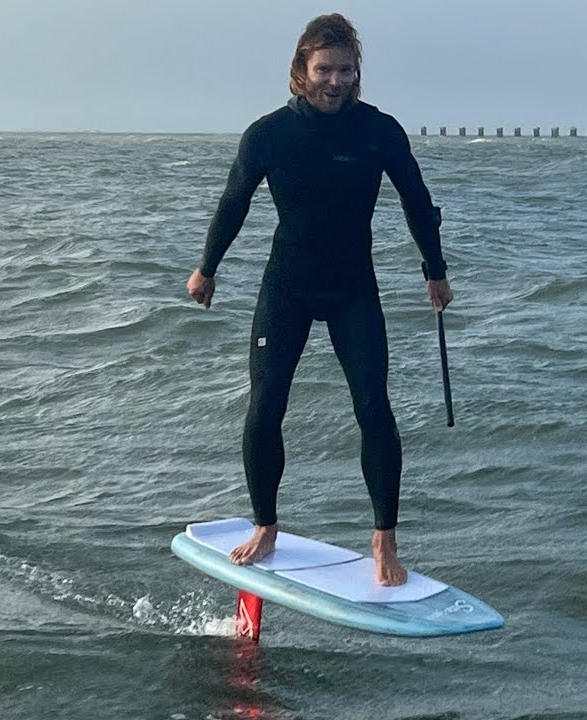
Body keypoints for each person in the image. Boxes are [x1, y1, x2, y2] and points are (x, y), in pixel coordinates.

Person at [186, 13, 452, 586]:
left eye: (346, 70)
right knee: (266, 406)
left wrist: (435, 271)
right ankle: (266, 525)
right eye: (325, 69)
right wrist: (207, 268)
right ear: (302, 72)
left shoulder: (379, 131)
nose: (336, 80)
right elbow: (234, 202)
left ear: (358, 73)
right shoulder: (269, 135)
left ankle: (385, 542)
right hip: (288, 286)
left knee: (373, 407)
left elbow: (416, 199)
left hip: (354, 288)